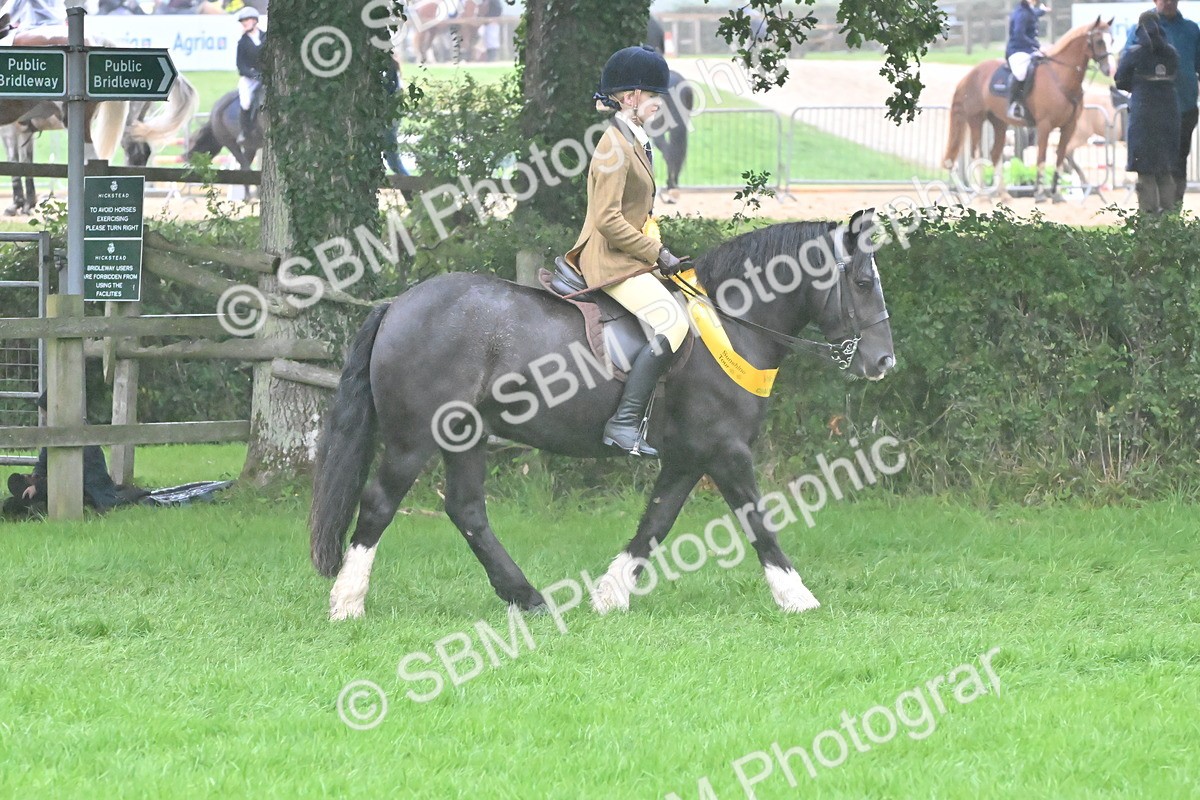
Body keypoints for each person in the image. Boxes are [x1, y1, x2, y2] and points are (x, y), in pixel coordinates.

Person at [564, 45, 690, 458]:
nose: (659, 105)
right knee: (673, 322)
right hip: (609, 258)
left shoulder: (634, 139)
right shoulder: (613, 146)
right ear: (632, 97)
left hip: (630, 255)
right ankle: (623, 422)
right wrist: (658, 253)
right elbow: (607, 220)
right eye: (655, 97)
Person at [1124, 0, 1200, 209]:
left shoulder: (1192, 29)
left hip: (1185, 108)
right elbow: (1125, 68)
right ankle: (1153, 219)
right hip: (1149, 110)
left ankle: (1173, 216)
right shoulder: (1138, 30)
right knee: (1149, 166)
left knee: (1178, 163)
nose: (1168, 2)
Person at [1117, 11, 1182, 213]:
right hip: (1169, 115)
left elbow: (1120, 79)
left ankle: (1148, 221)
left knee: (1145, 171)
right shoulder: (1171, 53)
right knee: (1165, 170)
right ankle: (1169, 221)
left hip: (1143, 116)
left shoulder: (1134, 53)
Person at [1006, 0, 1050, 121]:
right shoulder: (1021, 13)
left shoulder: (1028, 10)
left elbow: (1033, 14)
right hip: (1017, 50)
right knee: (1021, 73)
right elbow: (1019, 35)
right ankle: (1014, 104)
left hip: (1030, 49)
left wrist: (1042, 11)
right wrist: (1037, 46)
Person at [235, 5, 265, 145]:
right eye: (243, 22)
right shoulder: (242, 42)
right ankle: (245, 131)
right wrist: (253, 74)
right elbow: (240, 65)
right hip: (249, 79)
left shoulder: (265, 37)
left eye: (246, 20)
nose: (244, 24)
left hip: (267, 76)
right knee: (246, 102)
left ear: (254, 21)